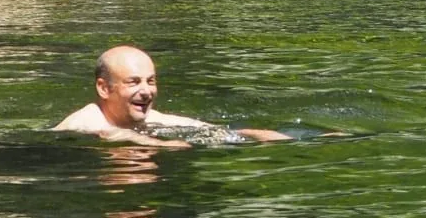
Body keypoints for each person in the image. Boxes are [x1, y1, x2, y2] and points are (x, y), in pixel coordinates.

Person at [53, 45, 291, 148]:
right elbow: (109, 134)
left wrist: (256, 134)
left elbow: (207, 129)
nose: (146, 91)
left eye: (151, 80)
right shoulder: (86, 121)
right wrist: (157, 144)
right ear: (104, 88)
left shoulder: (151, 118)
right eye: (134, 82)